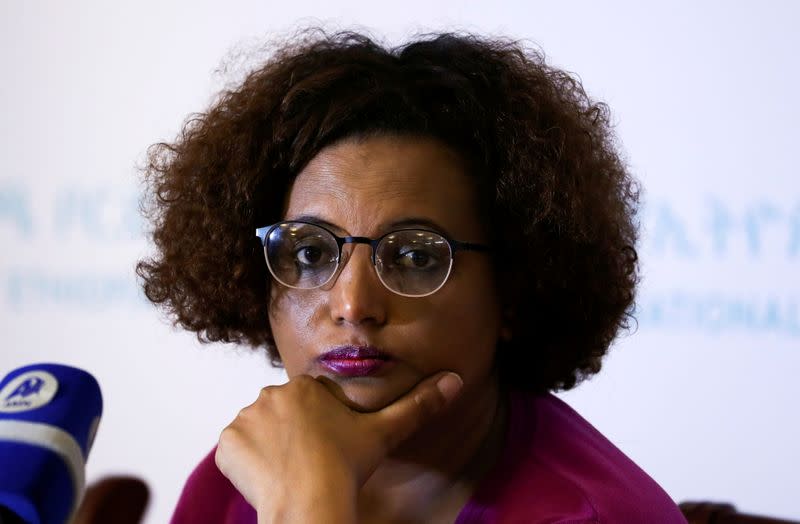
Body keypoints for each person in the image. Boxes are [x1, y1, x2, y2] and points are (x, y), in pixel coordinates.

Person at [137, 29, 687, 523]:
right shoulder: (244, 473)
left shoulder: (590, 516)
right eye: (309, 254)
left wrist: (311, 503)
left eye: (417, 257)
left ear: (514, 291)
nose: (352, 304)